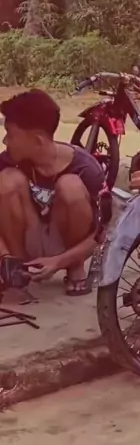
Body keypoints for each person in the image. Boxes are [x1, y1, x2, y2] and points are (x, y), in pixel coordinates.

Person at [0, 89, 104, 296]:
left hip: (65, 243)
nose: (5, 142)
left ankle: (74, 266)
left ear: (38, 140)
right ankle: (17, 268)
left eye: (10, 135)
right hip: (27, 236)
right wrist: (4, 256)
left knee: (70, 186)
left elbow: (103, 234)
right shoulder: (7, 161)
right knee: (7, 179)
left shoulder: (87, 168)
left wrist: (59, 262)